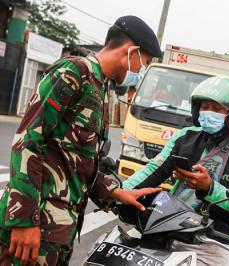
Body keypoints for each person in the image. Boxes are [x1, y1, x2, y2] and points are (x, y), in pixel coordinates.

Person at [0, 16, 163, 265]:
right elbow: (28, 141)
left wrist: (117, 193)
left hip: (58, 232)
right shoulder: (73, 72)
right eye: (146, 62)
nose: (141, 71)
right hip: (33, 227)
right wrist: (23, 221)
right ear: (132, 52)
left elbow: (77, 162)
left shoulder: (100, 89)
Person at [123, 76, 229, 266]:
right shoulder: (184, 137)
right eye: (204, 107)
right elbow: (155, 169)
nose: (208, 113)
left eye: (217, 109)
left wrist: (210, 188)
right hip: (169, 222)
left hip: (215, 238)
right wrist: (121, 191)